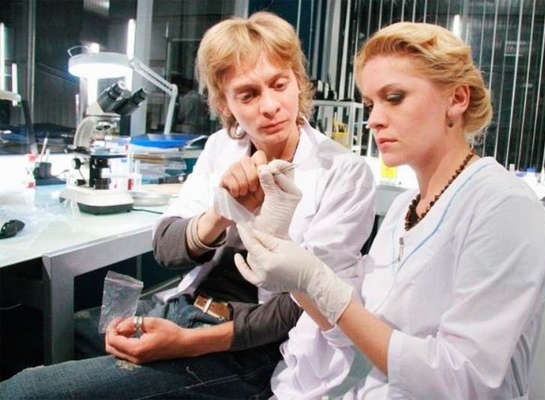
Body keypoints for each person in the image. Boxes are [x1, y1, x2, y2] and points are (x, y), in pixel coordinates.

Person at [0, 12, 375, 399]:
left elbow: (306, 306)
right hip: (187, 307)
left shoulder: (343, 173)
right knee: (58, 333)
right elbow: (166, 248)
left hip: (250, 348)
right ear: (225, 104)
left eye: (280, 84)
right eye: (248, 95)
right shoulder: (222, 147)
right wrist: (221, 212)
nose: (270, 105)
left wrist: (185, 344)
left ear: (297, 81)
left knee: (23, 392)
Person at [234, 22, 545, 399]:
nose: (374, 119)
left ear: (456, 99)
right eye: (371, 104)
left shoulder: (503, 209)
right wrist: (292, 266)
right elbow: (351, 334)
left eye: (395, 97)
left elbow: (463, 382)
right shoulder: (404, 210)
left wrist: (316, 280)